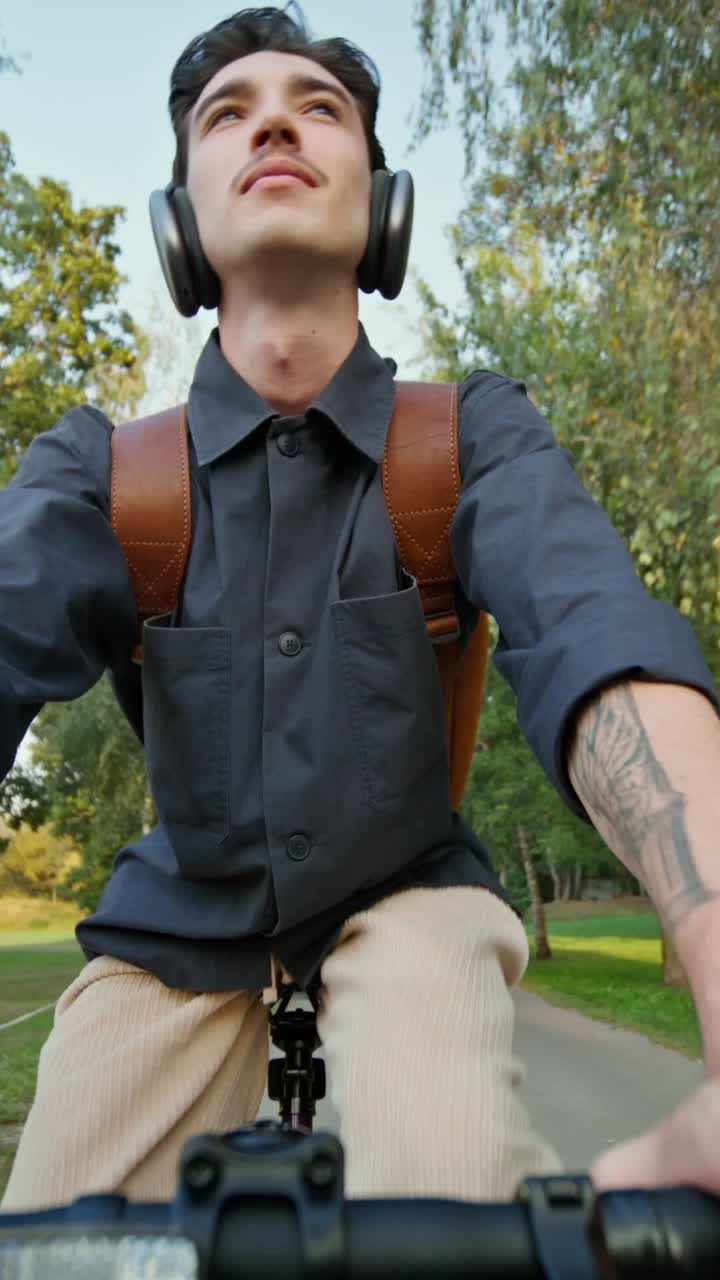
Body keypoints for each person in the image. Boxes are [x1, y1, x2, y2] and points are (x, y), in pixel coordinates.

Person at [2, 3, 720, 1214]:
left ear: (380, 206)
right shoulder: (101, 472)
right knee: (55, 1221)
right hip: (176, 915)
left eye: (317, 106)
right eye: (227, 114)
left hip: (415, 891)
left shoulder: (470, 436)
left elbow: (601, 644)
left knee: (440, 1202)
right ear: (183, 223)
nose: (272, 118)